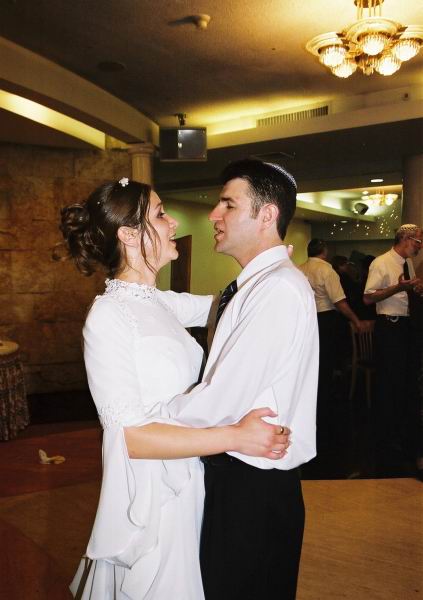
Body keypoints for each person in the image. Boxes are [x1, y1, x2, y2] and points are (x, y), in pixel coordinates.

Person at [58, 178, 290, 600]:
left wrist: (268, 260)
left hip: (187, 475)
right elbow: (131, 437)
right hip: (153, 497)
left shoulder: (158, 301)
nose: (174, 221)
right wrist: (237, 436)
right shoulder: (109, 317)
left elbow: (233, 304)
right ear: (128, 235)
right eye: (160, 214)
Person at [166, 159, 319, 600]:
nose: (214, 215)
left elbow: (223, 400)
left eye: (228, 204)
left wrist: (147, 422)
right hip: (242, 474)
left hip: (252, 484)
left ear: (267, 215)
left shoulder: (276, 289)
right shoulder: (257, 285)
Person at [363, 223, 423, 474]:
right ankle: (385, 441)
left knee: (407, 384)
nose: (420, 246)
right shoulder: (382, 262)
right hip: (390, 327)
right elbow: (368, 297)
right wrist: (399, 287)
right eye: (418, 241)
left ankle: (401, 436)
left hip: (406, 327)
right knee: (389, 384)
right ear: (406, 239)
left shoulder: (406, 263)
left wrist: (414, 288)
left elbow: (404, 292)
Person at [299, 240, 364, 447]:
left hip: (305, 320)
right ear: (324, 251)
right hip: (326, 320)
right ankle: (325, 409)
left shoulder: (299, 269)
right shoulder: (327, 270)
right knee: (326, 364)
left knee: (310, 364)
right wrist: (356, 320)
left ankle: (310, 403)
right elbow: (339, 301)